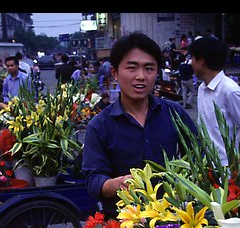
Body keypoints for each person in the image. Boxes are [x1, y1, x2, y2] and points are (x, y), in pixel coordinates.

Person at [82, 32, 198, 218]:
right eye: (132, 68)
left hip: (173, 220)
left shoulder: (174, 113)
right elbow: (94, 181)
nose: (141, 76)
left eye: (149, 68)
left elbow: (198, 158)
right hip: (124, 224)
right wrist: (122, 183)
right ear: (115, 72)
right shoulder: (99, 126)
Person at [187, 36, 240, 167]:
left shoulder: (230, 90)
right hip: (206, 164)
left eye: (192, 58)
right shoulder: (201, 89)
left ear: (202, 61)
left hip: (227, 168)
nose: (190, 62)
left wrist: (238, 170)